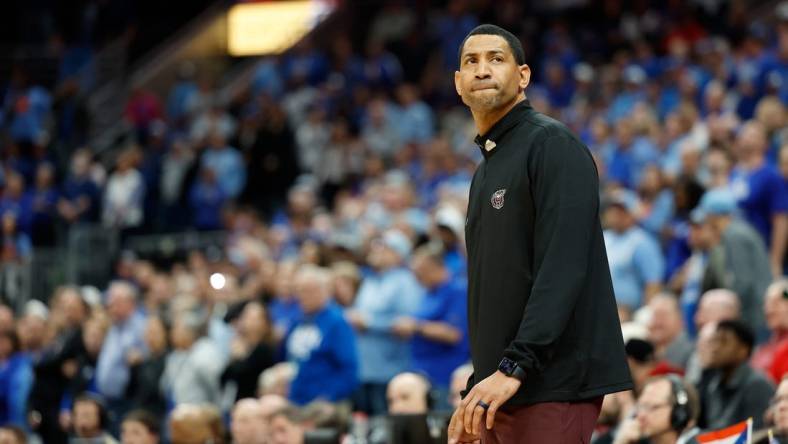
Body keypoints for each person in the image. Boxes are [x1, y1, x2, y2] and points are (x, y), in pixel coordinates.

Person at [448, 24, 632, 444]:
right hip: (503, 387)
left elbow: (563, 267)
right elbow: (501, 288)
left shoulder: (551, 145)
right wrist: (479, 384)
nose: (482, 69)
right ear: (458, 84)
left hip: (550, 382)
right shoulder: (485, 171)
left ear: (524, 76)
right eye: (470, 62)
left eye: (496, 59)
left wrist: (514, 365)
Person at [285, 265, 358, 405]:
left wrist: (328, 397)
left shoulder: (337, 322)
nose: (302, 296)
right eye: (299, 291)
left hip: (322, 404)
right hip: (295, 399)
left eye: (308, 291)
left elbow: (349, 370)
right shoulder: (297, 320)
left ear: (325, 291)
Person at [700, 319, 774, 430]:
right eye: (714, 341)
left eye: (723, 342)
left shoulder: (757, 385)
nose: (715, 348)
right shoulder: (712, 383)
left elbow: (758, 435)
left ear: (743, 350)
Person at [612, 375, 701, 444]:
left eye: (653, 407)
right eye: (640, 406)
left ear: (679, 414)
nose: (641, 415)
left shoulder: (709, 440)